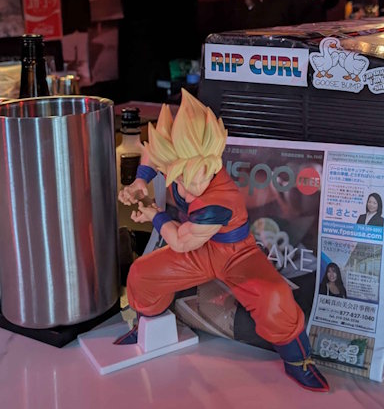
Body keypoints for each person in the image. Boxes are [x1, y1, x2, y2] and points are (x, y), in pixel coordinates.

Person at [119, 90, 329, 392]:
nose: (179, 185)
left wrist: (154, 214)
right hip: (198, 248)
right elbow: (155, 151)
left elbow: (180, 241)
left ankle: (298, 360)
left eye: (182, 177)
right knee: (142, 274)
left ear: (209, 164)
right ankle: (146, 324)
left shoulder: (218, 200)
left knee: (274, 298)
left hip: (235, 253)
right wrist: (141, 179)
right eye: (173, 175)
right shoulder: (183, 166)